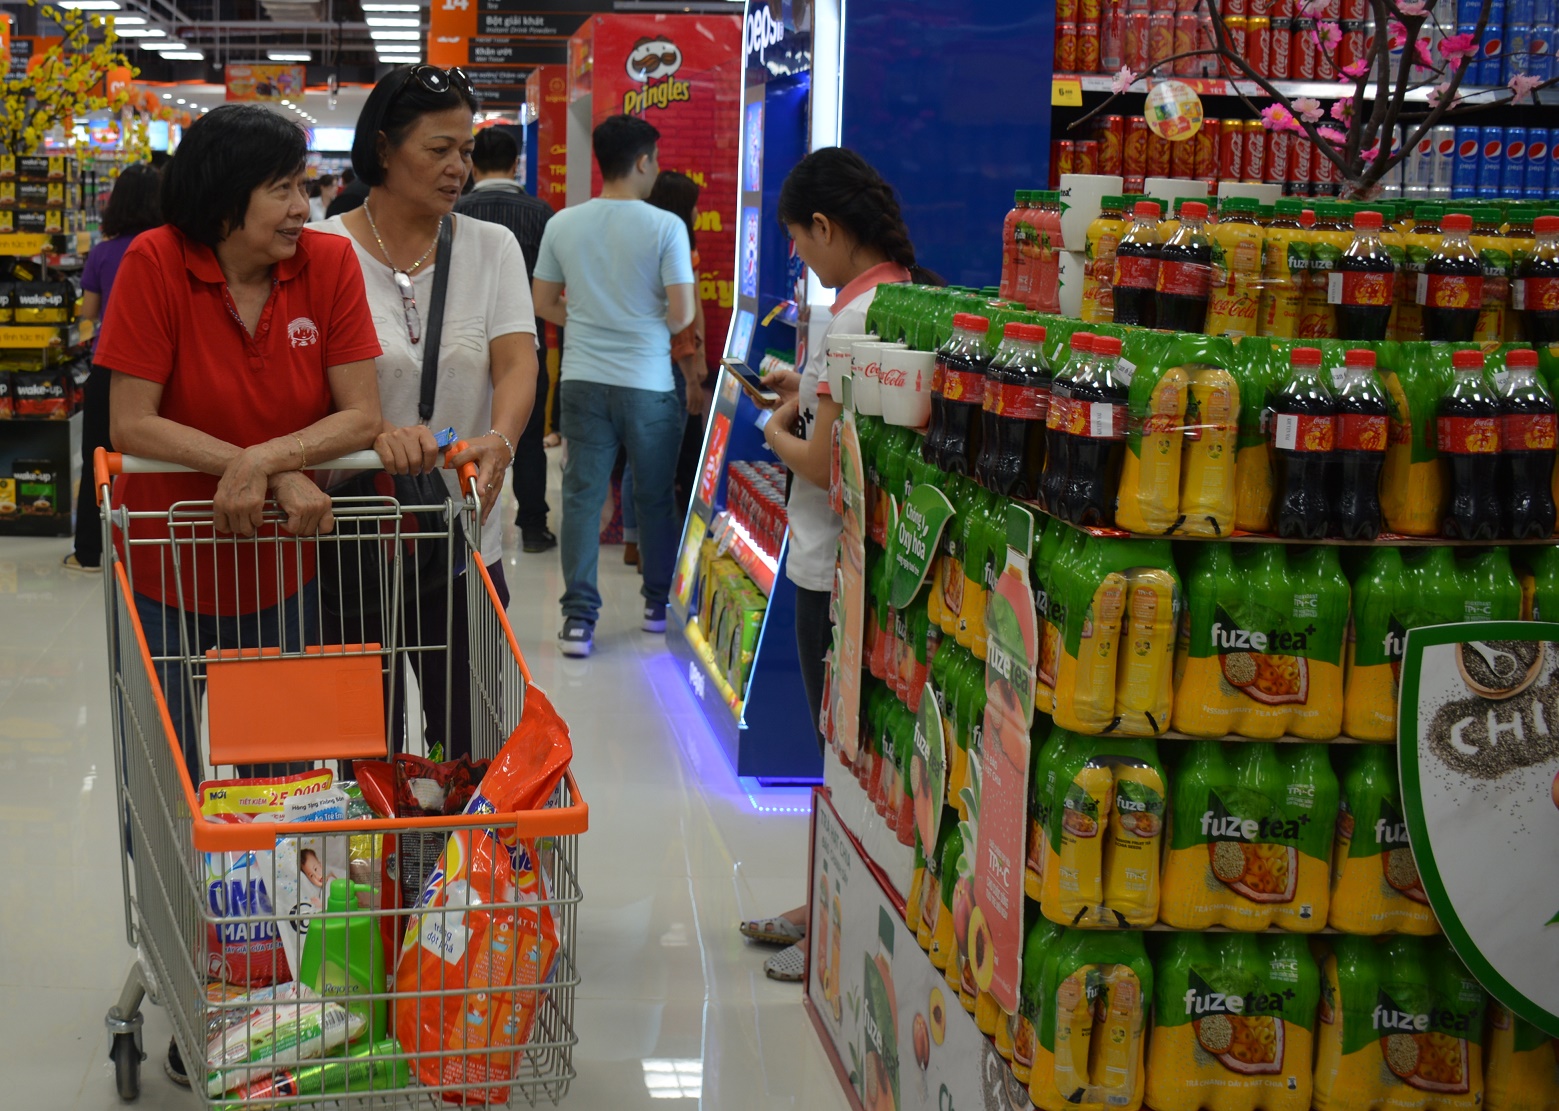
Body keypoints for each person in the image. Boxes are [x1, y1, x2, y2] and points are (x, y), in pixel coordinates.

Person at [93, 103, 383, 1087]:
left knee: (282, 788)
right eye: (284, 188)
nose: (306, 205)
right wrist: (262, 466)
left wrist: (272, 461)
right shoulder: (154, 264)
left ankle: (277, 983)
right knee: (169, 785)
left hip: (277, 575)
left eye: (306, 186)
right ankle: (188, 971)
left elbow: (362, 412)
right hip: (167, 570)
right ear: (224, 202)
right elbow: (134, 419)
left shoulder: (327, 265)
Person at [739, 147, 933, 982]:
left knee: (842, 752)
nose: (797, 257)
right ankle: (823, 903)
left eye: (797, 238)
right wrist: (803, 397)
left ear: (824, 226)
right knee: (862, 753)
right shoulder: (904, 293)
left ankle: (832, 923)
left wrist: (771, 428)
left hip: (831, 566)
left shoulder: (848, 318)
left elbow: (820, 464)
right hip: (880, 562)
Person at [316, 64, 538, 757]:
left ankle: (455, 835)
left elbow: (517, 361)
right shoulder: (323, 249)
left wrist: (501, 438)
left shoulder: (491, 247)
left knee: (471, 742)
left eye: (465, 151)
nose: (458, 169)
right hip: (352, 536)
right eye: (438, 149)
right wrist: (373, 433)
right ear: (384, 149)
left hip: (462, 534)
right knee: (362, 749)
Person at [532, 114, 696, 658]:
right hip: (648, 382)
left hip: (582, 380)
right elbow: (681, 315)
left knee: (582, 498)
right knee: (654, 496)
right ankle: (656, 606)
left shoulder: (564, 223)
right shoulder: (666, 227)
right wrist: (643, 324)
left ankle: (578, 621)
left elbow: (542, 301)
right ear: (644, 161)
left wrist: (585, 319)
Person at [453, 126, 557, 554]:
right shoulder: (541, 213)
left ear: (472, 164)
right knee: (524, 434)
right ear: (516, 164)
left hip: (461, 343)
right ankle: (532, 524)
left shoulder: (456, 209)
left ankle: (461, 512)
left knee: (465, 429)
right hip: (524, 343)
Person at [64, 162, 161, 573]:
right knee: (157, 461)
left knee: (99, 458)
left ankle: (89, 553)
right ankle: (154, 546)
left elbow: (88, 312)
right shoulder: (170, 249)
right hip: (162, 367)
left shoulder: (103, 253)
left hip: (111, 364)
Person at [621, 169, 707, 568]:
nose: (697, 214)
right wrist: (693, 375)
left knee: (638, 456)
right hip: (670, 365)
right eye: (693, 206)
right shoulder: (676, 250)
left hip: (635, 361)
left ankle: (633, 541)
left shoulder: (638, 245)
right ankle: (653, 549)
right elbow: (683, 321)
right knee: (661, 462)